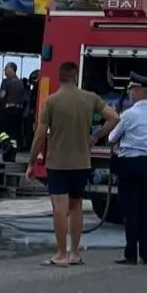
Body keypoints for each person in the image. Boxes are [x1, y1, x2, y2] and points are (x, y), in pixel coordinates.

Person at [31, 61, 119, 266]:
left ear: (60, 77)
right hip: (82, 162)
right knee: (76, 205)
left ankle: (61, 254)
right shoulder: (90, 98)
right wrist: (95, 136)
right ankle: (75, 253)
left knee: (60, 207)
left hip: (58, 163)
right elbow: (115, 118)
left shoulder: (51, 101)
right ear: (75, 76)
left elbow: (40, 136)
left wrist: (31, 162)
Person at [110, 74, 147, 265]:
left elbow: (112, 137)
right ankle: (146, 253)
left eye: (131, 89)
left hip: (129, 164)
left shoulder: (129, 115)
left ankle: (130, 253)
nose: (129, 93)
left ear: (139, 90)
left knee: (129, 210)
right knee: (144, 209)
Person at [0, 62, 27, 159]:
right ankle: (12, 155)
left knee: (0, 130)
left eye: (6, 68)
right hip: (18, 111)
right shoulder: (21, 83)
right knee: (14, 134)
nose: (4, 70)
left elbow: (2, 95)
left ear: (11, 69)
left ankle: (6, 144)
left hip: (8, 110)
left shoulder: (6, 82)